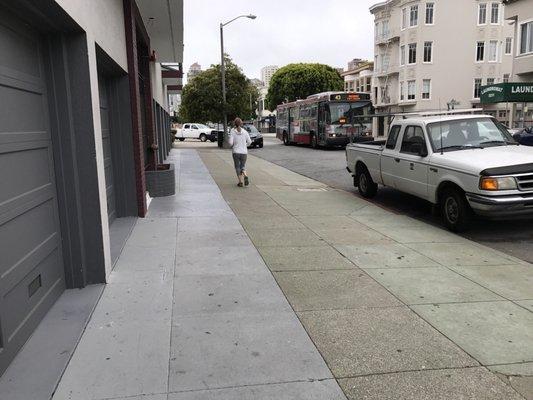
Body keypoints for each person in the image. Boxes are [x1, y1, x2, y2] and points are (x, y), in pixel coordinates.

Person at [228, 118, 252, 187]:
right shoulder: (245, 132)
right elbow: (249, 142)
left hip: (236, 152)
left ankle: (240, 181)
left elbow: (230, 143)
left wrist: (232, 145)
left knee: (237, 167)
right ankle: (245, 175)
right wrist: (245, 146)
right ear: (241, 123)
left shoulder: (232, 131)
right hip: (244, 152)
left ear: (234, 124)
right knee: (243, 166)